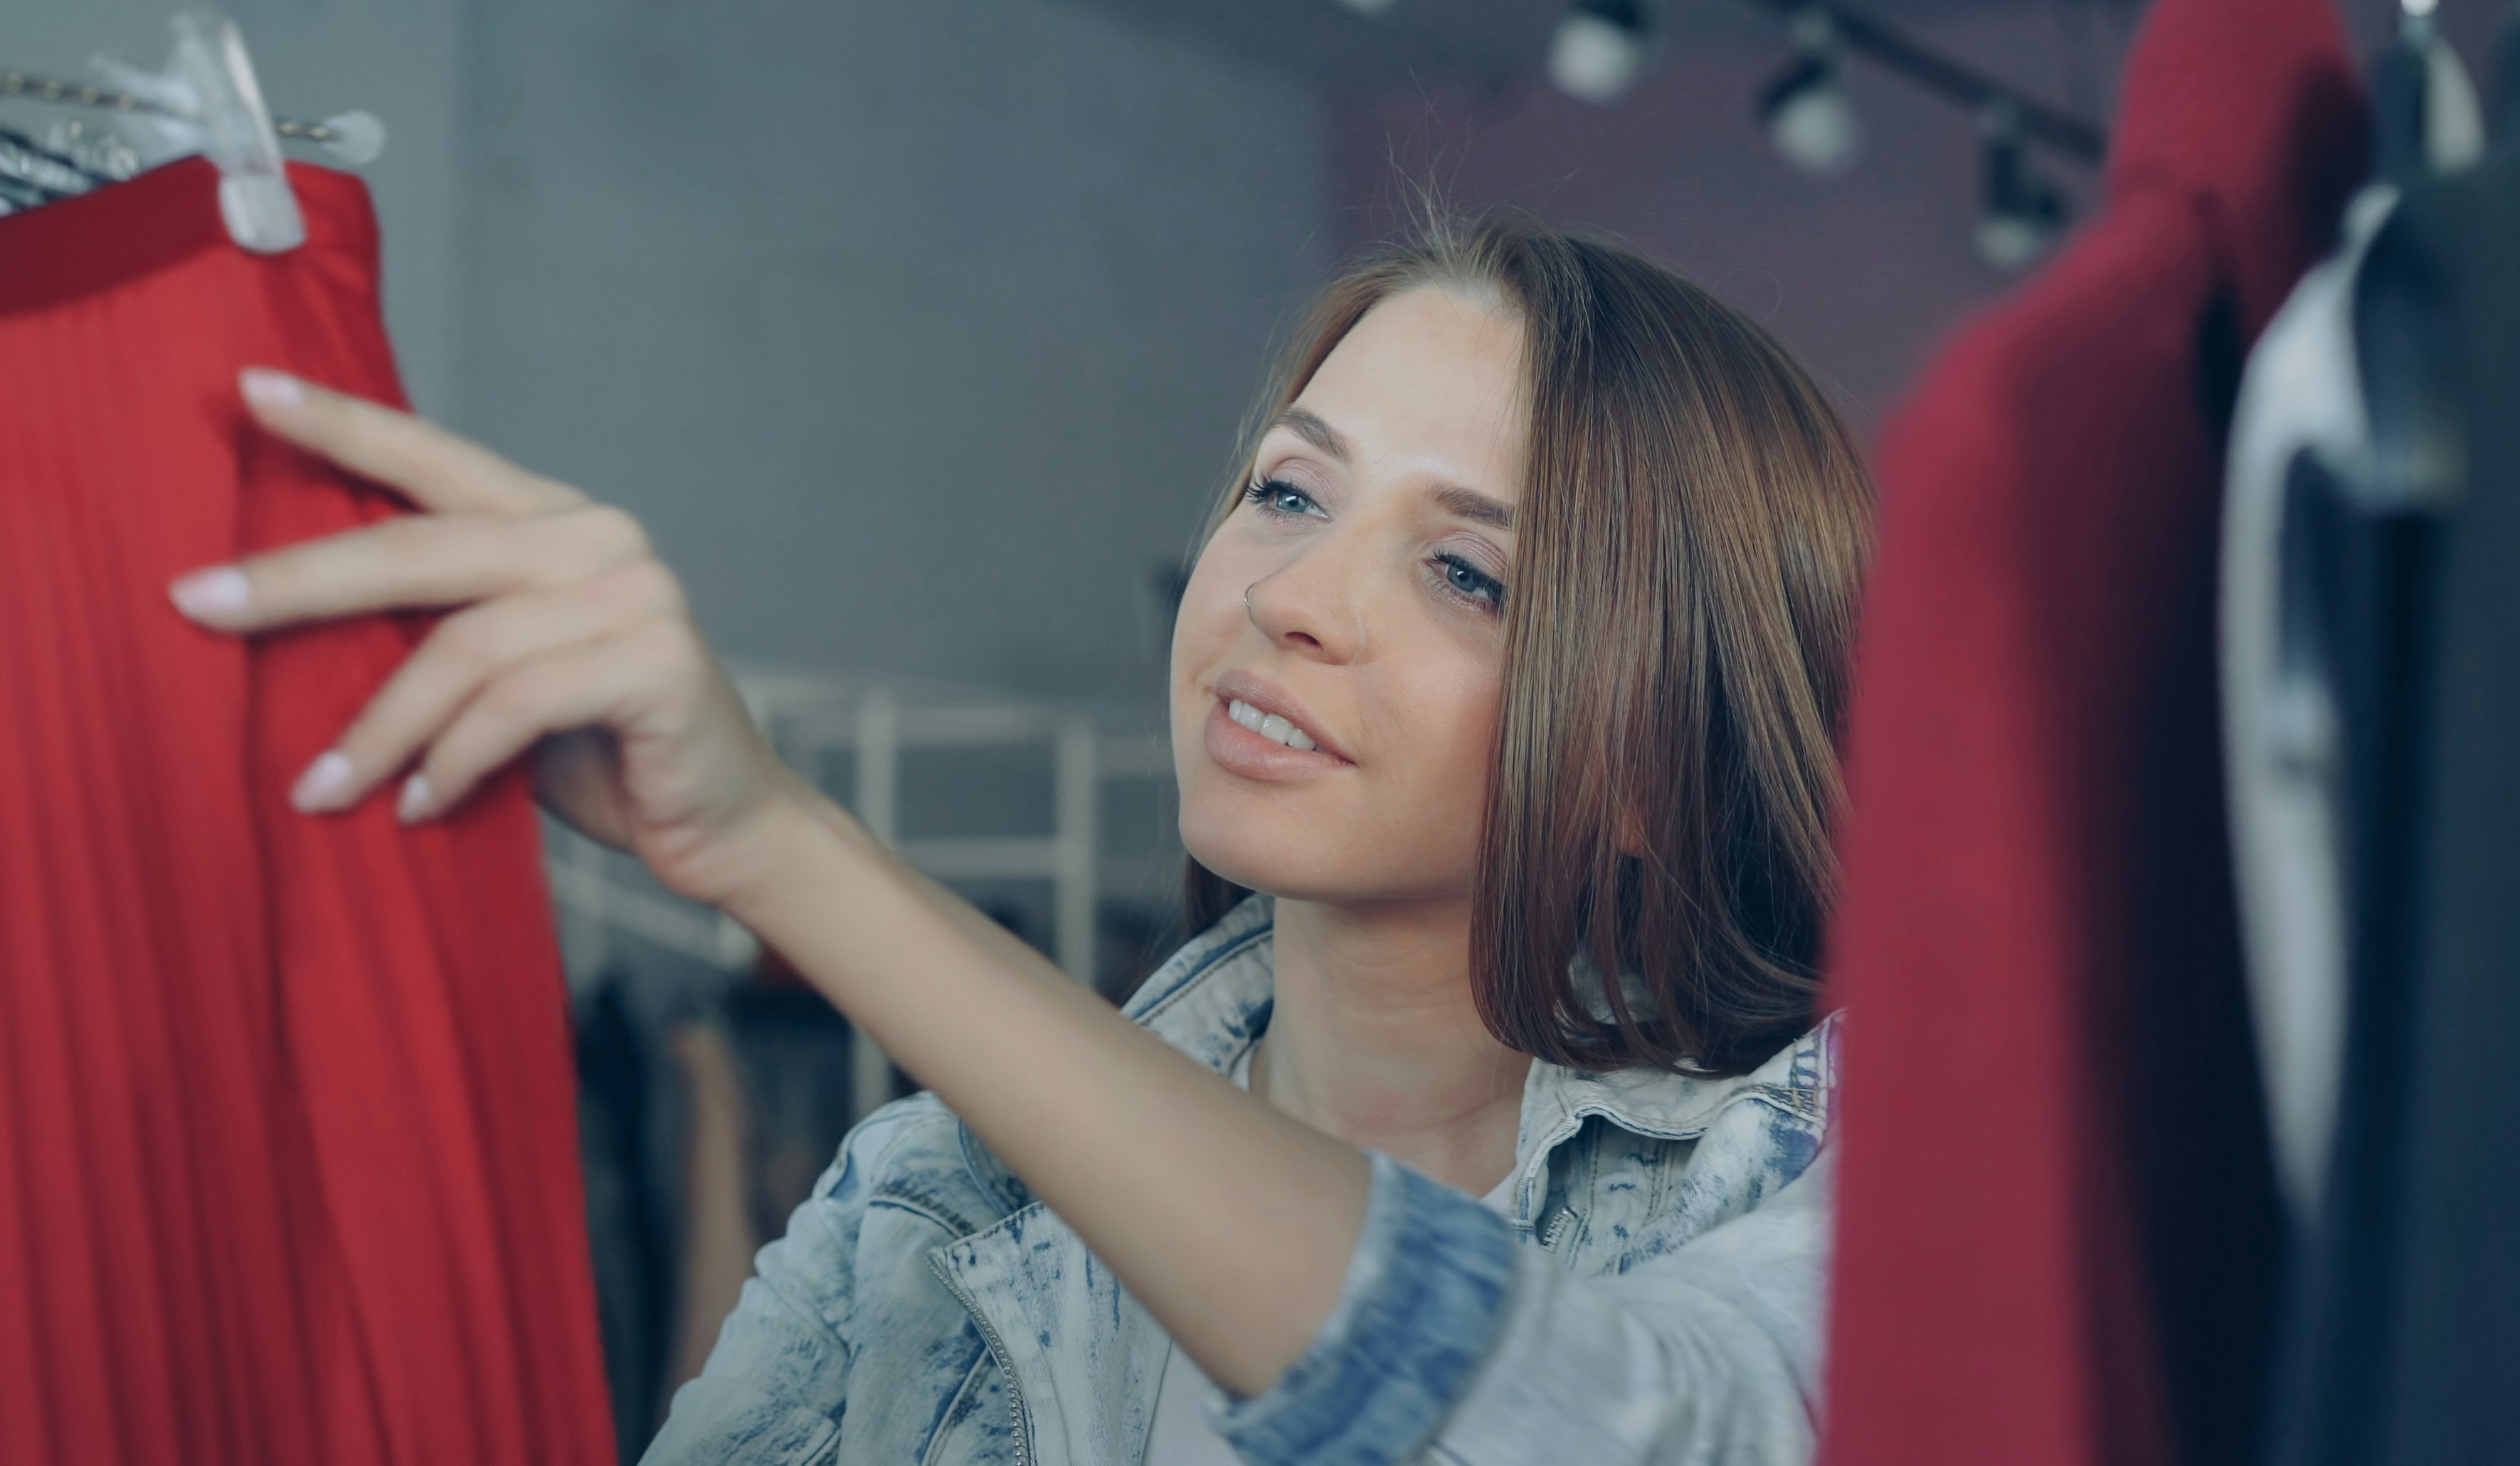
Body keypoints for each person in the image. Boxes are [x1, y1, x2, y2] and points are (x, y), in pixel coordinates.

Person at [167, 211, 1873, 1465]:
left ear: (1663, 755)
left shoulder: (1824, 1178)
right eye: (1288, 491)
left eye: (1466, 572)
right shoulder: (922, 1206)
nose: (1286, 600)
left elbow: (1626, 1427)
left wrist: (780, 842)